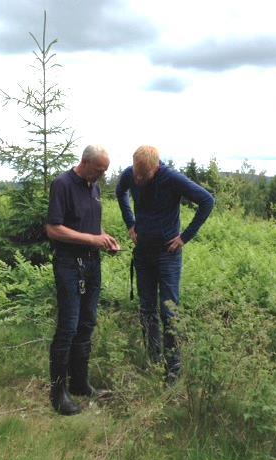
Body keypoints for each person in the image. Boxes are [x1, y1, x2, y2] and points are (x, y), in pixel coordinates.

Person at [115, 145, 214, 384]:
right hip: (143, 254)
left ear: (156, 168)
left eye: (143, 175)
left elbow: (207, 201)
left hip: (167, 255)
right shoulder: (131, 173)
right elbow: (121, 192)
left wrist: (184, 237)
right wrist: (131, 223)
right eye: (135, 173)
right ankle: (153, 360)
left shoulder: (171, 179)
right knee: (147, 308)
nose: (137, 179)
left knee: (169, 310)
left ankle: (173, 369)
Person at [45, 145, 120, 415]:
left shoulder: (94, 187)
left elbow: (90, 225)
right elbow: (54, 228)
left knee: (87, 323)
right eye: (99, 169)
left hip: (92, 264)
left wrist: (105, 239)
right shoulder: (62, 184)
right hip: (68, 265)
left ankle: (79, 384)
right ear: (85, 162)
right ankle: (58, 393)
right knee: (68, 326)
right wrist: (92, 239)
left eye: (105, 171)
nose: (102, 175)